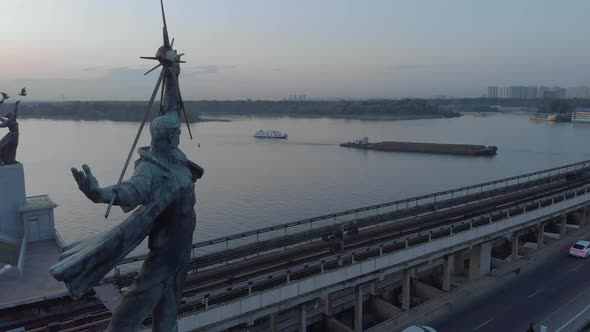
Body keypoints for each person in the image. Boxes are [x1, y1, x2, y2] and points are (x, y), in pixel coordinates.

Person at [52, 112, 203, 331]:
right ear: (169, 136)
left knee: (169, 312)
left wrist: (171, 77)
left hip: (181, 251)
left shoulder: (176, 158)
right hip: (165, 254)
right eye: (177, 132)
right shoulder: (150, 169)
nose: (181, 134)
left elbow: (170, 106)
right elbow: (130, 190)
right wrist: (99, 194)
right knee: (132, 309)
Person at [0, 100, 19, 165]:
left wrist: (16, 104)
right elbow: (2, 124)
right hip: (12, 136)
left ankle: (11, 160)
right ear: (9, 116)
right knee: (4, 146)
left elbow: (15, 111)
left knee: (13, 147)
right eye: (11, 114)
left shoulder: (13, 119)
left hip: (15, 136)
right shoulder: (9, 121)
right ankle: (7, 160)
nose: (13, 114)